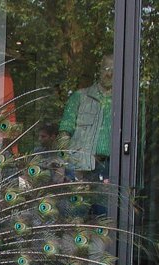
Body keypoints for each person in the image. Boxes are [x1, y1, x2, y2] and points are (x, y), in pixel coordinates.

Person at [59, 53, 114, 215]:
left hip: (108, 169)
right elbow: (64, 132)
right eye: (106, 68)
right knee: (75, 217)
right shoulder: (80, 97)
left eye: (113, 69)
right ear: (99, 69)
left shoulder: (122, 102)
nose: (109, 73)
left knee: (103, 217)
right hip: (79, 167)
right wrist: (64, 164)